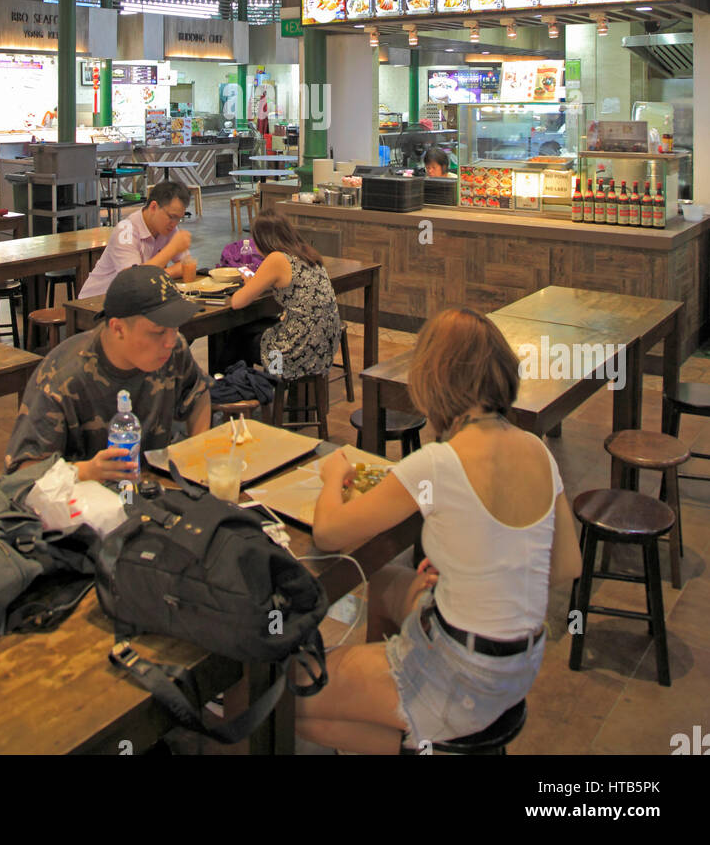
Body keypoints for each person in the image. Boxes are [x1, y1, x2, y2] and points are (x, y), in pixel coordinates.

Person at [294, 308, 583, 754]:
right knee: (388, 583)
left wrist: (334, 476)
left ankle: (414, 735)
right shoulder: (536, 448)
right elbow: (567, 565)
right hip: (521, 665)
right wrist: (471, 569)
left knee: (289, 696)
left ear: (434, 382)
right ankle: (407, 719)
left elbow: (330, 533)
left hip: (463, 672)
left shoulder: (437, 463)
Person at [5, 266, 212, 481]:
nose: (170, 341)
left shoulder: (173, 350)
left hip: (147, 491)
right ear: (118, 328)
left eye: (175, 327)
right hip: (79, 504)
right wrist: (84, 472)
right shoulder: (62, 378)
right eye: (158, 332)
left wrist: (198, 449)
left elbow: (198, 393)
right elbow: (21, 474)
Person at [224, 213, 342, 381]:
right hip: (324, 348)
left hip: (292, 354)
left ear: (262, 240)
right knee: (254, 330)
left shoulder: (276, 258)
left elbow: (237, 302)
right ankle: (265, 387)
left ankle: (246, 388)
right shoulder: (307, 253)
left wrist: (250, 284)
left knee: (237, 337)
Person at [78, 180, 192, 299]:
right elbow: (134, 279)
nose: (174, 224)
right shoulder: (125, 230)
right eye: (172, 217)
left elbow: (186, 265)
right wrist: (172, 249)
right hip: (97, 302)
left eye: (179, 219)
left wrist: (158, 275)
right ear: (153, 207)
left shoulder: (168, 228)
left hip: (134, 299)